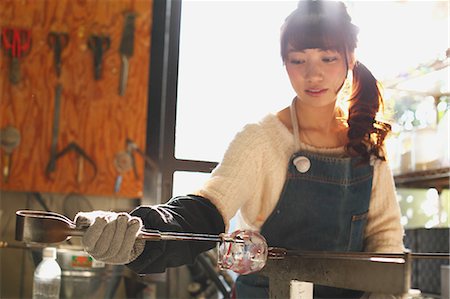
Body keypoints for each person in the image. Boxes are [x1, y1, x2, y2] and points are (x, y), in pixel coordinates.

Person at [75, 1, 404, 298]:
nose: (313, 73)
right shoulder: (260, 139)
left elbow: (385, 242)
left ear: (350, 58)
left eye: (328, 58)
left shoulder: (367, 147)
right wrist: (141, 236)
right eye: (298, 59)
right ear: (284, 63)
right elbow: (205, 210)